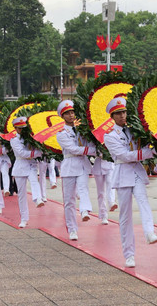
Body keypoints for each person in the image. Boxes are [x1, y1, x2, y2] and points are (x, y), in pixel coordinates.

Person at [103, 97, 157, 268]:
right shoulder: (110, 136)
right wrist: (147, 153)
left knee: (144, 201)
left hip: (136, 172)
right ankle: (129, 254)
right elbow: (124, 156)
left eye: (124, 112)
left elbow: (143, 146)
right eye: (118, 113)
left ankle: (150, 232)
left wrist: (156, 147)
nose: (122, 116)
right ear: (112, 116)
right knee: (125, 216)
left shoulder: (134, 130)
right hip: (122, 174)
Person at [56, 100, 97, 241]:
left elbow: (89, 142)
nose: (71, 115)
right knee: (69, 200)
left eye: (72, 112)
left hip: (82, 164)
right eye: (67, 113)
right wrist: (92, 151)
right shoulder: (61, 133)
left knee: (83, 188)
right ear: (63, 116)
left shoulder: (82, 129)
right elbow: (72, 149)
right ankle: (72, 229)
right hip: (69, 165)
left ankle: (85, 210)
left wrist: (96, 149)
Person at [10, 117, 44, 228]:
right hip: (20, 166)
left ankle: (38, 199)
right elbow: (22, 153)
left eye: (23, 128)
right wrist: (37, 153)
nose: (21, 130)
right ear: (15, 128)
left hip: (31, 165)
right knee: (21, 194)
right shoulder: (14, 140)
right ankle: (24, 218)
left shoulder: (31, 137)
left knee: (34, 181)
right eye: (19, 128)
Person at [91, 153, 115, 225]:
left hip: (109, 164)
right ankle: (103, 214)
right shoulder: (96, 142)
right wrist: (97, 153)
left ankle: (112, 202)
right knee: (101, 192)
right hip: (98, 165)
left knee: (110, 183)